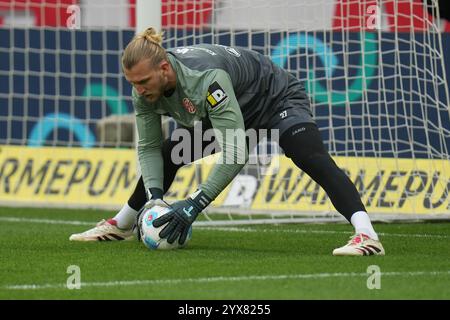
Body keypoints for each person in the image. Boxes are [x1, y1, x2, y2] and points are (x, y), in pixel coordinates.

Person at [70, 27, 385, 256]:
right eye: (132, 84)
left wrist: (194, 204)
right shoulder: (145, 91)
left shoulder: (205, 80)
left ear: (164, 68)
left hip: (274, 99)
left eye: (142, 82)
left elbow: (236, 152)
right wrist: (154, 198)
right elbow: (148, 147)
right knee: (170, 152)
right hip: (231, 112)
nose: (138, 90)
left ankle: (367, 235)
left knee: (308, 154)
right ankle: (122, 223)